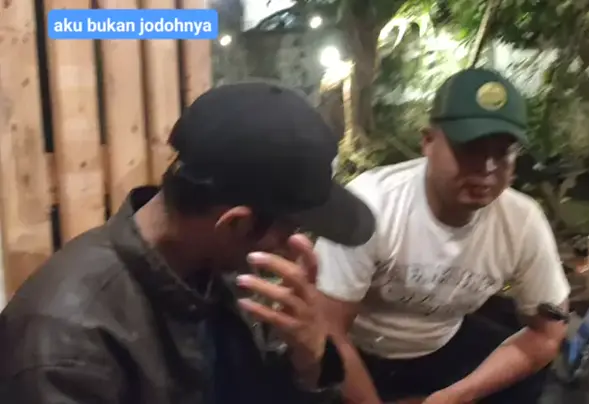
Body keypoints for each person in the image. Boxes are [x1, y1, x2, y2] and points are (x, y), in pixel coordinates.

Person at [0, 82, 376, 404]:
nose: (290, 245)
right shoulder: (67, 343)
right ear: (235, 223)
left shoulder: (217, 275)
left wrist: (309, 363)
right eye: (289, 228)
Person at [315, 68, 571, 404]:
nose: (487, 168)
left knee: (535, 374)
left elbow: (548, 332)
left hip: (442, 344)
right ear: (428, 141)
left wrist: (452, 398)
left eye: (502, 152)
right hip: (359, 351)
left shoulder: (522, 221)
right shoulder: (371, 206)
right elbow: (328, 331)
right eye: (471, 149)